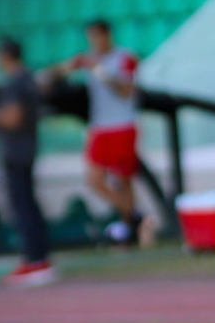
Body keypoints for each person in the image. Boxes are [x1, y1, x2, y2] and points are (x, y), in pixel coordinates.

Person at [58, 19, 154, 247]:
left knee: (123, 179)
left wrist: (98, 70)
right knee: (95, 179)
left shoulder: (125, 58)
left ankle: (129, 227)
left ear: (107, 35)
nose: (94, 42)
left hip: (122, 125)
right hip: (100, 127)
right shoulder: (89, 59)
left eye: (97, 36)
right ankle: (135, 216)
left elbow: (126, 91)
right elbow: (58, 72)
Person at [0, 37, 57, 287]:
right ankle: (39, 259)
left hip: (16, 152)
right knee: (29, 203)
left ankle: (34, 261)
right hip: (27, 150)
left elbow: (13, 119)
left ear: (5, 56)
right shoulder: (29, 81)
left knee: (22, 206)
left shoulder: (16, 84)